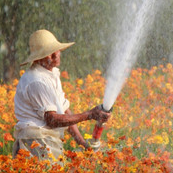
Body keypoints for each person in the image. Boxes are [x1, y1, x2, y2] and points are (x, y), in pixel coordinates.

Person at [12, 29, 110, 165]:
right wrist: (89, 114)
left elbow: (64, 111)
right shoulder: (37, 81)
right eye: (48, 53)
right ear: (38, 58)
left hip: (45, 141)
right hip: (34, 143)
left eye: (56, 50)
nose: (55, 55)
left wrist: (82, 144)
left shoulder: (51, 73)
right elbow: (52, 120)